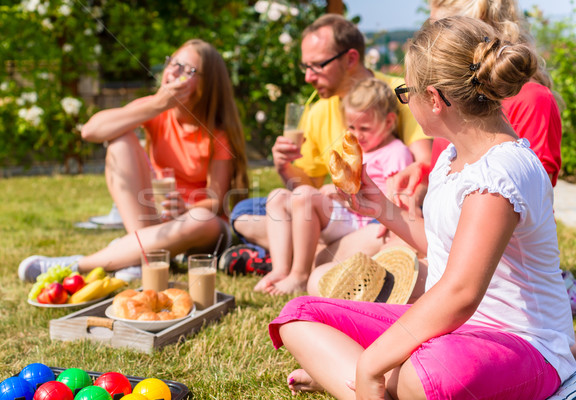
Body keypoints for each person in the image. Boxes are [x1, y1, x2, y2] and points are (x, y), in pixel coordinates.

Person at [268, 16, 576, 399]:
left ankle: (356, 378)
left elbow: (460, 292)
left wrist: (372, 361)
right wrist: (381, 206)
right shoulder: (452, 157)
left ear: (433, 98)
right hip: (453, 332)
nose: (406, 102)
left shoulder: (501, 171)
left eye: (405, 92)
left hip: (523, 343)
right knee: (298, 316)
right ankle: (370, 383)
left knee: (426, 374)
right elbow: (444, 251)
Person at [17, 39, 248, 282]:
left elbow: (214, 201)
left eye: (187, 70)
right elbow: (91, 131)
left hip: (200, 227)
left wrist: (187, 209)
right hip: (156, 220)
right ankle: (142, 256)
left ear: (208, 83)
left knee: (202, 221)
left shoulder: (218, 133)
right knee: (120, 141)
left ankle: (78, 264)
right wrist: (158, 104)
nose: (173, 72)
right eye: (173, 63)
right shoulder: (157, 109)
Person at [221, 14, 431, 273]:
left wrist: (394, 207)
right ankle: (324, 254)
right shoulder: (317, 111)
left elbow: (423, 168)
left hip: (383, 210)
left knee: (411, 216)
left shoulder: (397, 93)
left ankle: (301, 256)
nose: (308, 77)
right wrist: (284, 166)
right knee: (243, 211)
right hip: (338, 209)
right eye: (305, 67)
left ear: (351, 58)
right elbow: (307, 190)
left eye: (317, 66)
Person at [391, 0, 562, 202]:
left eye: (441, 27)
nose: (431, 39)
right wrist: (424, 172)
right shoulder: (451, 100)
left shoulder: (532, 98)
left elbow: (530, 193)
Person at [255, 78, 414, 295]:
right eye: (351, 127)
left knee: (303, 195)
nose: (357, 134)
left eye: (365, 128)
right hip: (346, 214)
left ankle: (300, 276)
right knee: (277, 197)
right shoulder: (359, 150)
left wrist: (345, 195)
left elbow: (395, 196)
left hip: (364, 222)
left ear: (388, 123)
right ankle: (280, 270)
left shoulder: (395, 152)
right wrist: (333, 192)